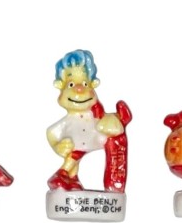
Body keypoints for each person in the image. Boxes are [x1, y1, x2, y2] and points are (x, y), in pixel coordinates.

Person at [46, 49, 126, 190]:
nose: (79, 89)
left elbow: (109, 128)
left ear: (93, 84)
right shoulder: (69, 121)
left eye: (85, 84)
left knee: (77, 152)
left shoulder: (96, 114)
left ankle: (70, 177)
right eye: (71, 84)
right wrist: (58, 146)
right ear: (60, 86)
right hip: (78, 142)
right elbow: (52, 133)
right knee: (75, 150)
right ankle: (63, 175)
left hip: (89, 139)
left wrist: (116, 120)